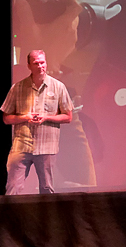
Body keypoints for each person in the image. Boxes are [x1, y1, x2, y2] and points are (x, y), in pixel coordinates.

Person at [1, 50, 73, 195]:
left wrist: (46, 117)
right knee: (13, 188)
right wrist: (25, 117)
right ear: (29, 65)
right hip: (21, 146)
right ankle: (11, 217)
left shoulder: (58, 87)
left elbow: (68, 117)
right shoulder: (18, 88)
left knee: (47, 189)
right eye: (36, 63)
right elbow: (6, 118)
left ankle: (46, 218)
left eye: (42, 62)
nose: (40, 66)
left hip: (47, 146)